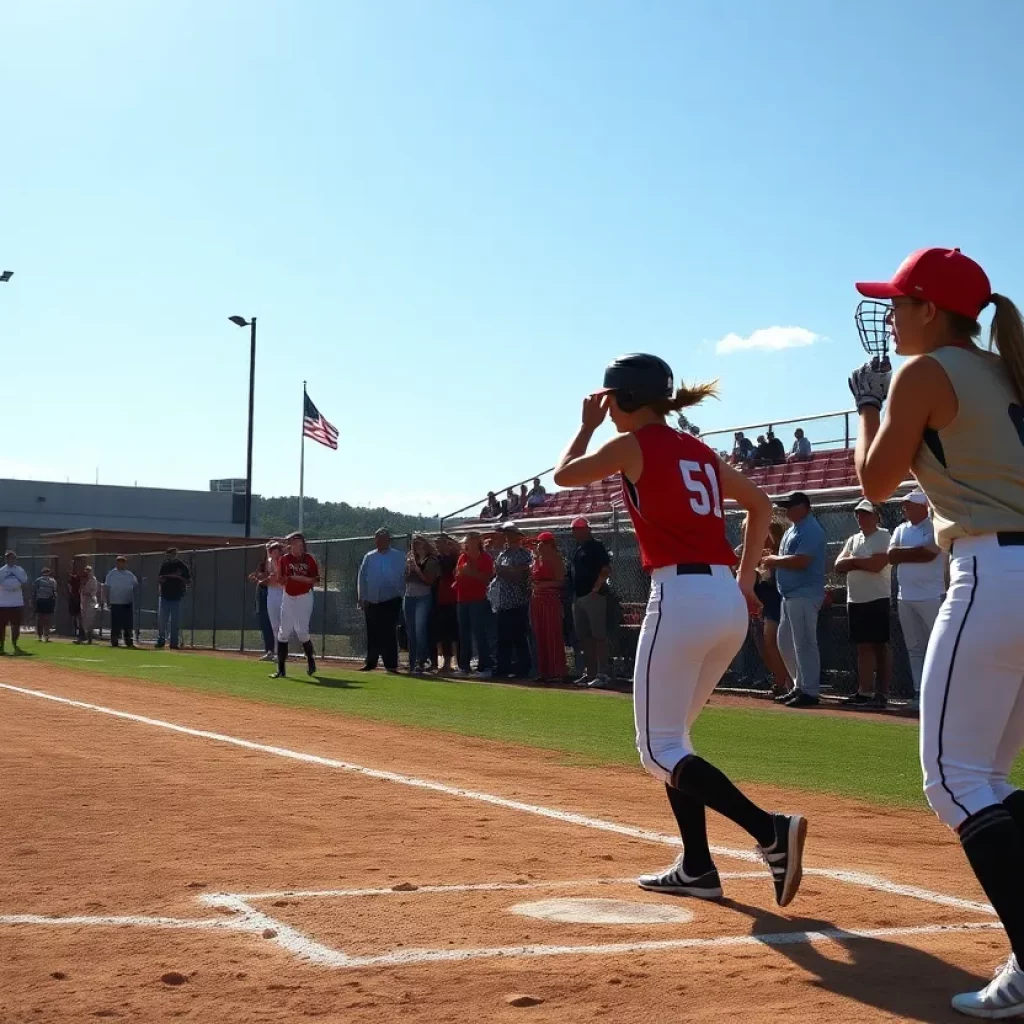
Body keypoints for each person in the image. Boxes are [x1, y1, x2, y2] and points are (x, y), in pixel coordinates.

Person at [553, 353, 806, 908]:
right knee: (676, 742)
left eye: (609, 398)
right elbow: (761, 505)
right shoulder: (697, 449)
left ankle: (769, 830)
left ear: (621, 398)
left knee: (657, 750)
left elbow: (563, 478)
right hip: (724, 601)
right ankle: (697, 866)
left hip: (680, 597)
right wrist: (743, 580)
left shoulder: (631, 442)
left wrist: (586, 426)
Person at [851, 246, 1024, 1016]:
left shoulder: (925, 373)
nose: (890, 315)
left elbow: (875, 483)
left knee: (955, 780)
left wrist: (869, 407)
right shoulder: (1007, 367)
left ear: (930, 308)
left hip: (993, 574)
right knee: (990, 777)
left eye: (899, 302)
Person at [764, 492, 827, 709]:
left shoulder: (811, 529)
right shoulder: (793, 529)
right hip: (789, 595)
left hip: (805, 593)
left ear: (804, 507)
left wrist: (773, 560)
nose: (786, 510)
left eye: (790, 506)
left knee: (805, 643)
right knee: (785, 642)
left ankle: (809, 690)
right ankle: (799, 686)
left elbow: (802, 561)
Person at [888, 490, 946, 713]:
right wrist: (915, 552)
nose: (905, 508)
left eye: (910, 505)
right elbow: (891, 556)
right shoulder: (901, 529)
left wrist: (907, 554)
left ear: (923, 506)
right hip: (905, 597)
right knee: (915, 648)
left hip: (932, 596)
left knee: (938, 647)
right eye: (905, 505)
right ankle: (919, 693)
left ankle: (942, 695)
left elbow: (930, 553)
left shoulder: (934, 525)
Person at [834, 499, 893, 711]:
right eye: (858, 514)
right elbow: (838, 564)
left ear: (876, 516)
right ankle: (864, 691)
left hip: (877, 598)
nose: (861, 517)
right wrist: (860, 561)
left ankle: (882, 693)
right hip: (855, 599)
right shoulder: (853, 539)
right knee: (863, 647)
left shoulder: (884, 536)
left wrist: (853, 561)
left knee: (880, 646)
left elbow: (877, 565)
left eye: (866, 513)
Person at [570, 516, 612, 688]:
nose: (576, 532)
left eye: (579, 529)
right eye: (574, 529)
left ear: (587, 529)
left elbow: (606, 568)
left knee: (598, 636)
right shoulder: (578, 549)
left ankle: (603, 673)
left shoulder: (596, 546)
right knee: (584, 637)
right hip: (578, 597)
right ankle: (591, 673)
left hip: (593, 596)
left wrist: (596, 588)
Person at [357, 528, 406, 673]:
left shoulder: (399, 556)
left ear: (388, 540)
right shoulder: (369, 557)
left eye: (382, 538)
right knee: (372, 632)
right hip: (372, 600)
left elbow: (403, 577)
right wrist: (362, 597)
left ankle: (390, 664)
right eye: (377, 538)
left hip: (391, 600)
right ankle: (370, 662)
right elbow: (361, 578)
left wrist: (401, 594)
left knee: (388, 632)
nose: (379, 541)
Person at [271, 532, 319, 678]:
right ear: (290, 545)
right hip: (288, 596)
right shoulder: (285, 559)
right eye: (295, 543)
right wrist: (283, 580)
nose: (299, 546)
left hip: (304, 596)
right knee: (283, 631)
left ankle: (311, 661)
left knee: (301, 631)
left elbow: (315, 579)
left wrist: (296, 577)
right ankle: (281, 669)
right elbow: (280, 580)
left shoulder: (309, 559)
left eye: (301, 543)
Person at [752, 522, 792, 695]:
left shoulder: (779, 555)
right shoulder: (754, 551)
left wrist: (766, 565)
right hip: (762, 604)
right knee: (763, 646)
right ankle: (779, 679)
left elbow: (773, 580)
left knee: (772, 641)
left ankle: (786, 682)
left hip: (777, 603)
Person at [490, 523, 533, 679]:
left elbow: (521, 576)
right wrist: (511, 571)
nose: (507, 536)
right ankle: (503, 668)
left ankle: (523, 669)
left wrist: (507, 571)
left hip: (518, 602)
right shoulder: (503, 554)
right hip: (503, 601)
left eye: (510, 533)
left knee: (519, 638)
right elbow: (499, 572)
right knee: (503, 639)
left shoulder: (525, 555)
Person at [530, 532, 567, 682]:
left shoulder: (556, 558)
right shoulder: (536, 560)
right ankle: (544, 671)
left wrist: (544, 584)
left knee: (552, 634)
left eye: (542, 543)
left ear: (550, 544)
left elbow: (560, 581)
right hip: (537, 599)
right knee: (540, 635)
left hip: (550, 599)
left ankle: (557, 672)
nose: (539, 545)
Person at [455, 532, 494, 676]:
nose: (468, 544)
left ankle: (485, 667)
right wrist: (462, 573)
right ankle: (463, 666)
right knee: (463, 633)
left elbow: (486, 579)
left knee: (479, 632)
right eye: (467, 541)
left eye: (471, 541)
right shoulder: (462, 557)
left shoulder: (486, 558)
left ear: (477, 542)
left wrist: (470, 572)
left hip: (478, 598)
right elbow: (457, 574)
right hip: (462, 598)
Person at [403, 535, 439, 674]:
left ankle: (422, 660)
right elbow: (405, 578)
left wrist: (417, 569)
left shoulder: (431, 560)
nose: (417, 547)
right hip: (409, 596)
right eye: (414, 544)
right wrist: (409, 568)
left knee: (420, 629)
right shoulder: (411, 558)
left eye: (419, 544)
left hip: (423, 597)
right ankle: (412, 662)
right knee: (410, 631)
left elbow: (429, 580)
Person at [250, 541, 285, 662]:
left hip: (281, 592)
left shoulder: (282, 561)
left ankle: (281, 652)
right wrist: (261, 578)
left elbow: (277, 576)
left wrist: (266, 579)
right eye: (271, 550)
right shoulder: (267, 562)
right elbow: (266, 576)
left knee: (281, 625)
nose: (273, 552)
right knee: (274, 625)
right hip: (271, 592)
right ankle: (273, 652)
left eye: (276, 550)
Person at [433, 535, 460, 674]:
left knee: (455, 632)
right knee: (443, 633)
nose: (438, 546)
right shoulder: (437, 559)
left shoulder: (454, 558)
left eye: (440, 543)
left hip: (454, 598)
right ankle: (447, 662)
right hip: (441, 599)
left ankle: (459, 662)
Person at [156, 547, 191, 650]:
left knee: (175, 621)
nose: (170, 555)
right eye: (169, 554)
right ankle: (161, 640)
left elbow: (188, 581)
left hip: (177, 596)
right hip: (165, 596)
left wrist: (178, 577)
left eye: (172, 554)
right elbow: (160, 578)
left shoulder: (182, 566)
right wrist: (166, 578)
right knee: (162, 620)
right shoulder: (165, 565)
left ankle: (174, 643)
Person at [102, 556, 138, 648]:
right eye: (119, 562)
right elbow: (106, 587)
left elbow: (135, 585)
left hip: (127, 602)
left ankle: (129, 641)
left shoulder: (129, 574)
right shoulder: (111, 574)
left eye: (123, 562)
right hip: (115, 602)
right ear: (116, 563)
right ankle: (115, 641)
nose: (121, 564)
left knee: (128, 623)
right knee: (116, 623)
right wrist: (106, 600)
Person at [0, 551, 28, 655]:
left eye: (13, 558)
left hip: (17, 602)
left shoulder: (19, 570)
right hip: (3, 603)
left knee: (16, 625)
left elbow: (24, 582)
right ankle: (1, 646)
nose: (11, 560)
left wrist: (15, 586)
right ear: (6, 559)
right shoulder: (2, 571)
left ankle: (15, 645)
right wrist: (7, 587)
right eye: (9, 558)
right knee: (1, 626)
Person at [33, 566, 58, 642]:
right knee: (45, 619)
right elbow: (55, 592)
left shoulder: (39, 580)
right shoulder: (51, 581)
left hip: (42, 601)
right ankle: (44, 635)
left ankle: (42, 636)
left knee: (41, 619)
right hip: (46, 601)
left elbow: (34, 592)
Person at [77, 565, 100, 644]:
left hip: (91, 602)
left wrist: (85, 593)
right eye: (86, 570)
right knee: (82, 621)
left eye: (89, 570)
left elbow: (92, 593)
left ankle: (89, 639)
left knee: (89, 621)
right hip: (83, 602)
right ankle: (82, 638)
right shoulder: (83, 580)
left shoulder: (93, 580)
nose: (87, 572)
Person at [67, 564, 83, 641]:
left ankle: (80, 634)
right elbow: (69, 588)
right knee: (75, 617)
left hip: (79, 599)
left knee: (79, 617)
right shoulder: (71, 579)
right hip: (74, 599)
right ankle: (77, 633)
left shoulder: (80, 579)